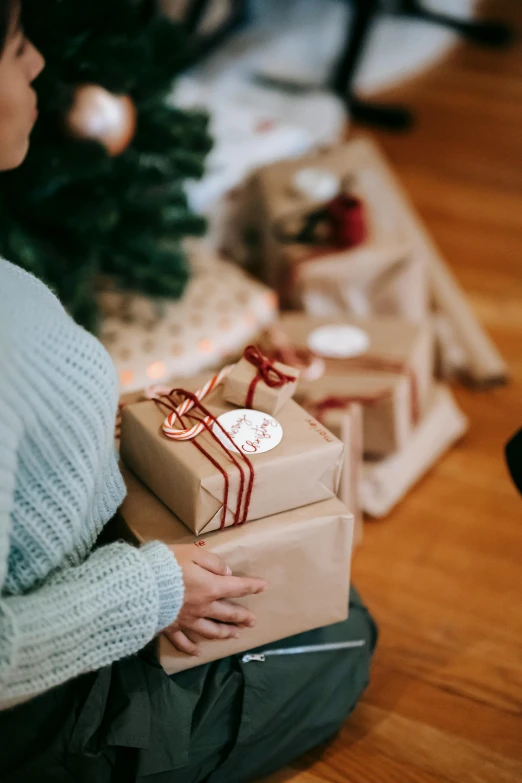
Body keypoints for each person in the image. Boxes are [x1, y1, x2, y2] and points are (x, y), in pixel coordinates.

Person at [0, 2, 377, 781]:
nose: (38, 63)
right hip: (48, 717)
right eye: (14, 48)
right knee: (349, 633)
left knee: (316, 584)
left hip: (96, 566)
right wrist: (149, 588)